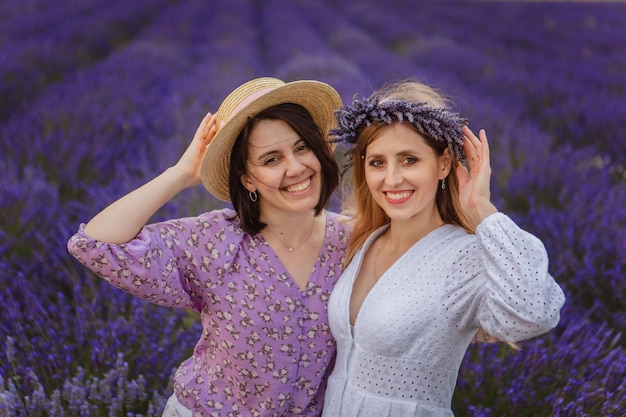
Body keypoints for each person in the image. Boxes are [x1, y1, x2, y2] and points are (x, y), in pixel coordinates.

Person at [67, 77, 350, 416]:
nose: (295, 167)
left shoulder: (351, 240)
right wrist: (182, 173)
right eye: (271, 159)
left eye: (302, 147)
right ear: (247, 178)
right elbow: (95, 244)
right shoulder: (216, 240)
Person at [321, 80, 566, 417]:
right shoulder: (364, 239)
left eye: (409, 160)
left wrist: (483, 211)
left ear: (444, 164)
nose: (391, 179)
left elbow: (533, 314)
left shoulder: (463, 257)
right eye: (377, 162)